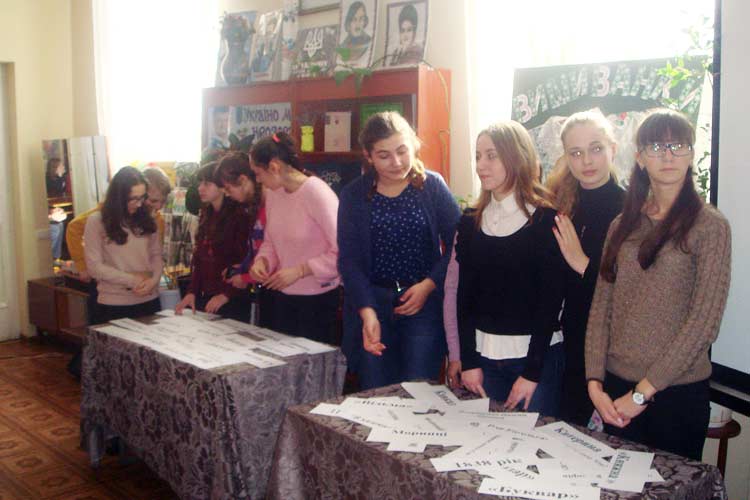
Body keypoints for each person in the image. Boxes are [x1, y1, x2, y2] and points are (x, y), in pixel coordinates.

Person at [585, 109, 731, 460]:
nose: (668, 155)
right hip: (615, 391)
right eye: (656, 146)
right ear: (640, 158)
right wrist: (594, 383)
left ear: (691, 154)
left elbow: (704, 323)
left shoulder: (710, 226)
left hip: (675, 396)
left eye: (678, 145)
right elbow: (601, 308)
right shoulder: (621, 225)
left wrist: (642, 394)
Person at [450, 121, 565, 416]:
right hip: (484, 360)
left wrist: (532, 373)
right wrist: (469, 361)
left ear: (517, 157)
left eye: (492, 155)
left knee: (535, 442)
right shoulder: (471, 221)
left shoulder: (546, 221)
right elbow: (464, 298)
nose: (481, 165)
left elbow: (550, 303)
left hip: (534, 362)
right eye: (478, 156)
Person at [338, 111, 460, 390]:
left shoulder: (432, 186)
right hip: (373, 304)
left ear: (413, 145)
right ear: (369, 156)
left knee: (419, 392)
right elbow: (349, 261)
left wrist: (429, 285)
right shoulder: (353, 195)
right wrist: (367, 312)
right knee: (376, 393)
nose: (396, 162)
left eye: (402, 151)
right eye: (384, 155)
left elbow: (459, 245)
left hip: (422, 304)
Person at [545, 110, 625, 426]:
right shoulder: (559, 206)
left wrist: (584, 265)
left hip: (615, 348)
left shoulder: (633, 210)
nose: (587, 161)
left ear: (613, 149)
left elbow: (635, 292)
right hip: (570, 343)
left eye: (596, 149)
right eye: (576, 153)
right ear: (566, 158)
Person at [248, 132, 340, 343]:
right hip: (284, 296)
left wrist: (300, 271)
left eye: (258, 173)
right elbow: (271, 241)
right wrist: (262, 261)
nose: (258, 180)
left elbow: (343, 251)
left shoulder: (317, 193)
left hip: (318, 301)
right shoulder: (274, 193)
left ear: (274, 167)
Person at [83, 166, 163, 325]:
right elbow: (94, 267)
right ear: (119, 197)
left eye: (142, 198)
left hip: (149, 299)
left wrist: (154, 280)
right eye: (133, 198)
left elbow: (156, 255)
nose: (139, 204)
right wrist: (132, 281)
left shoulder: (149, 219)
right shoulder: (97, 221)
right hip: (114, 303)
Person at [175, 162, 251, 321]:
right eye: (200, 183)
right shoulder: (206, 214)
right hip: (206, 295)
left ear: (223, 187)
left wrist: (226, 294)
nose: (200, 188)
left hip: (231, 298)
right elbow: (199, 258)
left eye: (207, 184)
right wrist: (191, 292)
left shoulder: (240, 217)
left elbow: (243, 261)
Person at [216, 152, 268, 325]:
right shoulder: (253, 207)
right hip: (265, 286)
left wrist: (246, 278)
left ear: (244, 180)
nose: (227, 195)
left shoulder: (269, 205)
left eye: (229, 189)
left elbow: (274, 255)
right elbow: (256, 248)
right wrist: (243, 267)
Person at [46, 158, 68, 261]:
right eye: (60, 166)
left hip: (58, 206)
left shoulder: (61, 179)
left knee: (61, 225)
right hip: (49, 208)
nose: (63, 168)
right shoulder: (46, 179)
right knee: (55, 228)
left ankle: (56, 256)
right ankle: (50, 257)